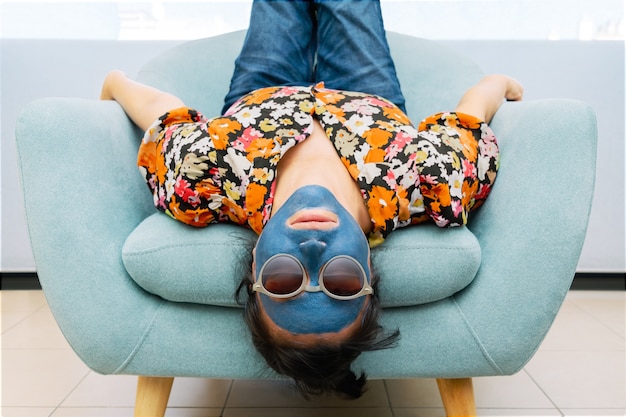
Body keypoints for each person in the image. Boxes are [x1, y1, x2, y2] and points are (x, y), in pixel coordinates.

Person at [100, 0, 523, 399]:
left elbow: (165, 115)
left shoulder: (204, 180)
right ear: (370, 272)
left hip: (263, 92)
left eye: (284, 280)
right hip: (369, 95)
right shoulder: (429, 184)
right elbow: (467, 121)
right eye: (342, 282)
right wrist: (496, 84)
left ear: (254, 269)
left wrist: (116, 83)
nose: (313, 250)